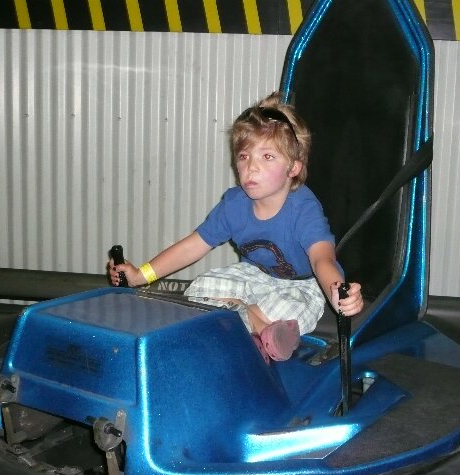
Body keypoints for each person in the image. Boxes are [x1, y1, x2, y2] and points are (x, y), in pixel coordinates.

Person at [109, 92, 363, 363]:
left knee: (292, 308)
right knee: (200, 288)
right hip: (253, 275)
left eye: (267, 156)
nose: (251, 167)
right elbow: (193, 246)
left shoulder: (303, 208)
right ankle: (260, 330)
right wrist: (141, 275)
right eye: (244, 156)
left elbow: (322, 257)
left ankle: (244, 323)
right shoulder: (234, 204)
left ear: (293, 168)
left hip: (300, 284)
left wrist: (337, 291)